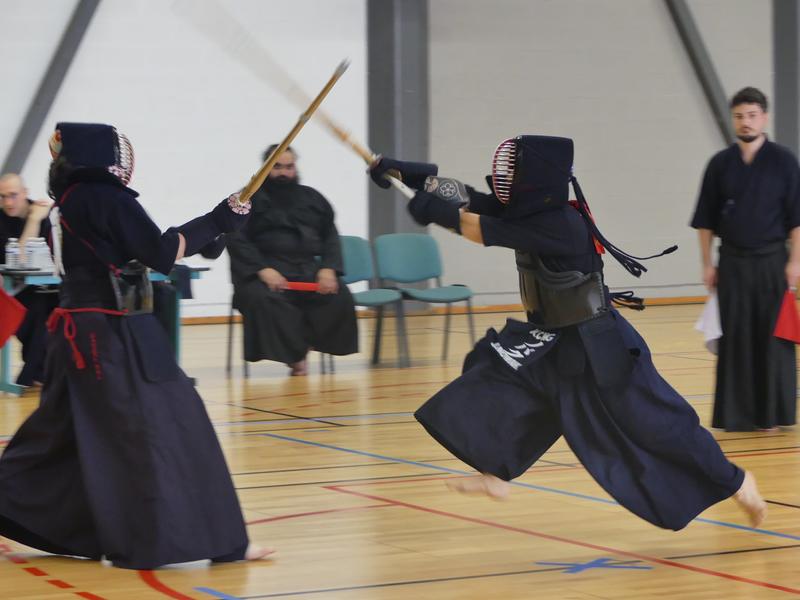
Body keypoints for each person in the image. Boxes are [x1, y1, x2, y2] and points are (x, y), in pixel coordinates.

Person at [369, 135, 767, 531]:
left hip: (601, 345)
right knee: (499, 376)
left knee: (658, 424)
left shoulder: (558, 223)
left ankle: (736, 481)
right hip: (556, 338)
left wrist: (428, 210)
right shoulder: (529, 213)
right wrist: (412, 176)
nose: (506, 176)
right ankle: (496, 473)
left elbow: (474, 227)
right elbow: (469, 199)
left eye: (515, 168)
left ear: (537, 176)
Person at [0, 122, 271, 569]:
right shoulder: (107, 198)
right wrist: (219, 218)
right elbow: (160, 251)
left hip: (77, 335)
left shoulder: (67, 202)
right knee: (167, 429)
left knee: (55, 437)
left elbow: (134, 251)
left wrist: (218, 226)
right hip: (110, 338)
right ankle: (202, 542)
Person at [691, 87, 800, 432]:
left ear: (764, 117)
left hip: (772, 262)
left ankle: (773, 415)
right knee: (736, 336)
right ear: (733, 119)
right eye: (739, 116)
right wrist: (708, 263)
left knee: (774, 338)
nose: (746, 122)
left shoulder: (784, 161)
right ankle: (737, 416)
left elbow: (797, 219)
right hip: (733, 264)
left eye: (752, 115)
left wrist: (795, 262)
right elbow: (705, 220)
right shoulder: (720, 164)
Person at [227, 145, 357, 376]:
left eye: (289, 167)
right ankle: (295, 356)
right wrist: (262, 269)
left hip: (307, 270)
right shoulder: (247, 198)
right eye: (277, 167)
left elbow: (330, 236)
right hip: (264, 273)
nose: (284, 173)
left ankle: (304, 345)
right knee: (265, 300)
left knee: (339, 296)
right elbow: (237, 240)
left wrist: (328, 269)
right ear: (266, 168)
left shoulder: (312, 198)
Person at [0, 173, 58, 387]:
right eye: (3, 197)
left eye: (13, 195)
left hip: (48, 287)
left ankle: (35, 373)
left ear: (25, 194)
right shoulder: (5, 219)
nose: (8, 202)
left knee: (50, 307)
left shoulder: (47, 214)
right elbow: (20, 259)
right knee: (38, 311)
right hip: (15, 290)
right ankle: (33, 374)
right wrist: (33, 221)